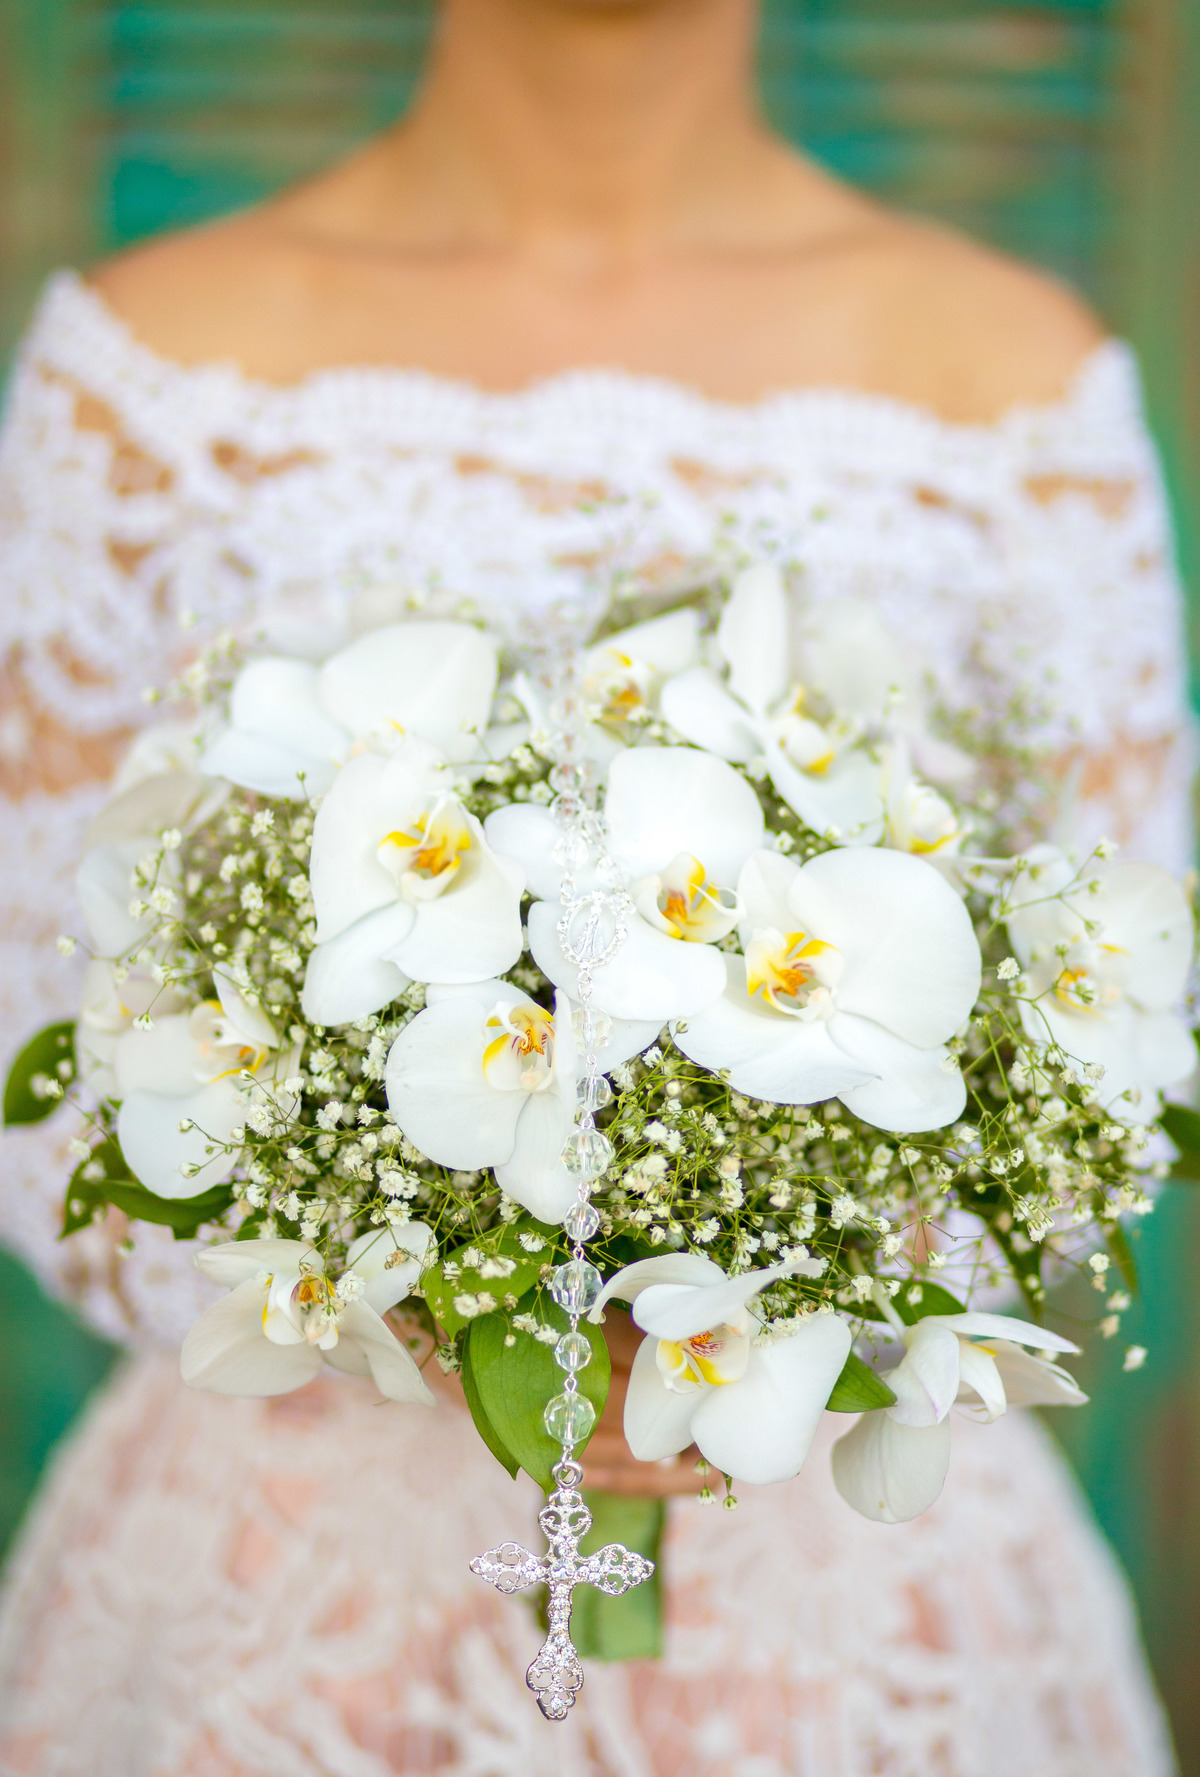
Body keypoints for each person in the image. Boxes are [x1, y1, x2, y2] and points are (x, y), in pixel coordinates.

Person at [0, 0, 1187, 1768]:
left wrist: (793, 1296)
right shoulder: (158, 371)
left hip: (852, 1605)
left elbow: (1123, 1013)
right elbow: (44, 1057)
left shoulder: (1012, 380)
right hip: (297, 1599)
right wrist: (425, 1303)